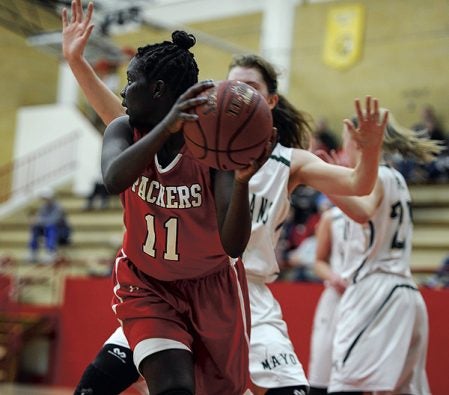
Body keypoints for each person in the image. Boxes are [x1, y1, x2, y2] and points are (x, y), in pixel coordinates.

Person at [62, 2, 387, 394]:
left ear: (268, 102)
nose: (238, 96)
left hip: (227, 287)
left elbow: (356, 188)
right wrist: (76, 60)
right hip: (152, 284)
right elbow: (115, 139)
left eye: (249, 90)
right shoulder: (149, 131)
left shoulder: (271, 160)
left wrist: (369, 154)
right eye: (232, 87)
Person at [64, 2, 277, 395]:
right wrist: (166, 127)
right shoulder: (123, 130)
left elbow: (234, 245)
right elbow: (113, 179)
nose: (124, 91)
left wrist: (243, 180)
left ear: (158, 89)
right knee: (167, 387)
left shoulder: (213, 153)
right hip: (147, 287)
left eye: (131, 81)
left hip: (211, 290)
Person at [320, 109, 441, 394]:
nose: (342, 147)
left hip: (376, 293)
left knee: (343, 387)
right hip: (404, 292)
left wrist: (320, 180)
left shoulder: (379, 176)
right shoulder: (393, 176)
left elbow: (362, 212)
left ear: (359, 140)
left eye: (345, 139)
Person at [307, 206, 347, 394]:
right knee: (321, 367)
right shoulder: (332, 217)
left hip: (366, 297)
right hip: (336, 298)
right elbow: (318, 261)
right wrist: (333, 277)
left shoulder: (375, 214)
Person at [28, 187, 71, 264]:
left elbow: (53, 221)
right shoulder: (43, 207)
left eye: (46, 198)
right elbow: (40, 219)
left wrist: (37, 220)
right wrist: (35, 221)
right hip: (47, 229)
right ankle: (33, 251)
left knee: (50, 226)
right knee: (36, 227)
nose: (45, 200)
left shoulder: (58, 207)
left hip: (61, 231)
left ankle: (50, 252)